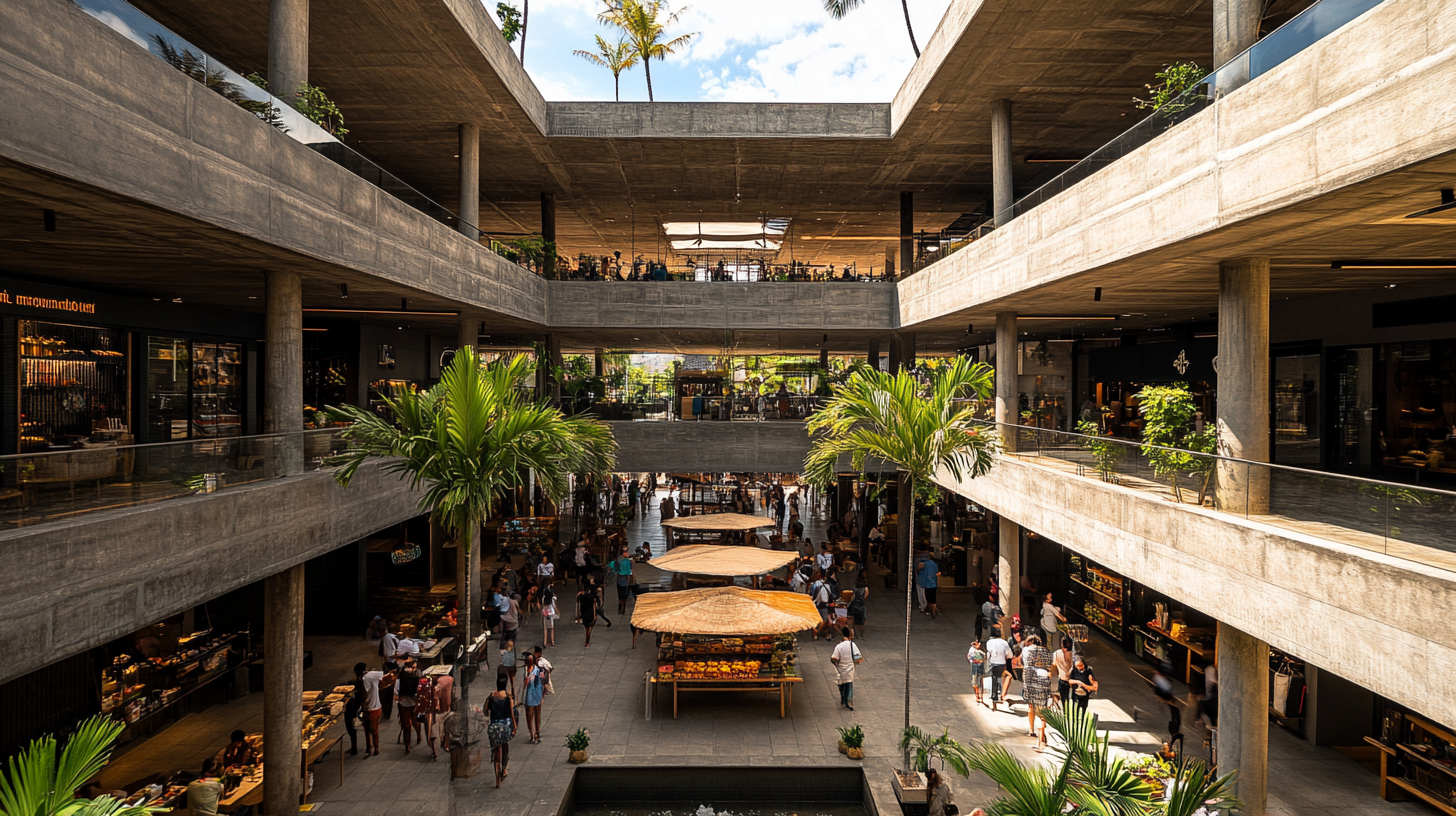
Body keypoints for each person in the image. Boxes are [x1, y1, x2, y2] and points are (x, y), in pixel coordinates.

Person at [1021, 634, 1054, 747]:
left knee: (1031, 706)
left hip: (1030, 680)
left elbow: (1024, 665)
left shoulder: (1026, 650)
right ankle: (1042, 734)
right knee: (1044, 708)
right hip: (1044, 680)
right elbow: (1050, 668)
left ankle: (1031, 729)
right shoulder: (1047, 652)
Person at [486, 675, 516, 788]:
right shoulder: (508, 698)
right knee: (505, 746)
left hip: (494, 726)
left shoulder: (492, 698)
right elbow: (512, 714)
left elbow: (485, 712)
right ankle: (504, 769)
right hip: (505, 726)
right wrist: (515, 727)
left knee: (496, 752)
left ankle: (497, 778)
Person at [360, 663, 390, 756]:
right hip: (376, 707)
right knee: (373, 729)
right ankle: (372, 747)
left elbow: (364, 695)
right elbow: (385, 674)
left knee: (370, 729)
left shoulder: (364, 679)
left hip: (371, 708)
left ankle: (372, 747)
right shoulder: (373, 675)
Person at [829, 627, 863, 710]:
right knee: (849, 683)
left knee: (842, 683)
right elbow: (859, 658)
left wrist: (836, 663)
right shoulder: (852, 645)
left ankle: (843, 697)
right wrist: (855, 663)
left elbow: (834, 658)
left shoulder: (839, 646)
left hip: (841, 668)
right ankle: (849, 700)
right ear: (850, 636)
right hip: (850, 667)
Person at [1153, 663, 1183, 744]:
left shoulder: (1160, 679)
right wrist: (1167, 699)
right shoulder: (1159, 679)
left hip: (1167, 698)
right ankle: (1173, 734)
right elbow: (1161, 690)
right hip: (1166, 698)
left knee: (1175, 715)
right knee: (1174, 715)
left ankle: (1174, 734)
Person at [522, 652, 546, 743]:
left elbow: (543, 681)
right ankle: (532, 734)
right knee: (530, 715)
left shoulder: (538, 670)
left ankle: (537, 732)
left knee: (536, 714)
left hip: (536, 694)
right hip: (529, 696)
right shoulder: (525, 671)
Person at [396, 663, 420, 753]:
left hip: (403, 705)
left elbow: (397, 694)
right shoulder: (416, 680)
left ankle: (408, 745)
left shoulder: (399, 682)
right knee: (416, 723)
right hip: (413, 704)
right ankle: (418, 736)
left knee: (406, 725)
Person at [985, 629, 1011, 712]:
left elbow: (989, 653)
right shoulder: (1004, 642)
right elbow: (1009, 654)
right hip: (1002, 663)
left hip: (993, 663)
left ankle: (994, 698)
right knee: (1000, 678)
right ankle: (999, 694)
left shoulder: (989, 642)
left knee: (994, 679)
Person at [345, 661, 366, 756]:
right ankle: (365, 746)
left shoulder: (358, 683)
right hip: (359, 707)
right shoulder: (364, 681)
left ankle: (354, 746)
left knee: (351, 727)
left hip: (353, 708)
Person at [608, 546, 634, 615]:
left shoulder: (619, 561)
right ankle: (622, 608)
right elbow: (630, 572)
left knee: (621, 596)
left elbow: (613, 569)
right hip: (624, 582)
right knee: (623, 596)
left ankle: (621, 607)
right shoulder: (627, 562)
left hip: (621, 581)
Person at [578, 578, 601, 648]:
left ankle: (587, 641)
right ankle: (587, 641)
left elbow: (579, 605)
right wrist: (594, 615)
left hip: (584, 612)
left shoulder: (581, 596)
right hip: (589, 612)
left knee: (587, 628)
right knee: (588, 628)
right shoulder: (591, 597)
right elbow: (594, 605)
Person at [1052, 637, 1075, 706]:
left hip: (1066, 680)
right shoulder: (1073, 654)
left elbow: (1053, 664)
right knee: (1068, 701)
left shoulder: (1056, 653)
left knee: (1066, 701)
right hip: (1068, 680)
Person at [917, 552, 941, 619]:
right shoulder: (934, 564)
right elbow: (937, 572)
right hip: (933, 583)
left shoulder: (924, 563)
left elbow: (919, 568)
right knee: (933, 599)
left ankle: (929, 610)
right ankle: (933, 612)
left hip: (927, 583)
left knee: (927, 598)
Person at [967, 638, 987, 706]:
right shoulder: (972, 650)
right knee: (975, 682)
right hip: (975, 667)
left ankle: (979, 696)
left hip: (980, 667)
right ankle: (977, 695)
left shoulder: (980, 651)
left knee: (980, 682)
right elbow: (969, 657)